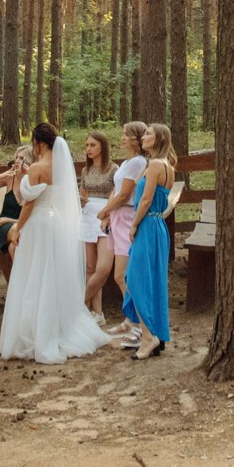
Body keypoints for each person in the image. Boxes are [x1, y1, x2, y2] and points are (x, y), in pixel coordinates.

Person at [0, 122, 114, 364]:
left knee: (34, 275)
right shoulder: (62, 168)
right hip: (56, 222)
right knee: (53, 274)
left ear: (39, 143)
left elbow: (29, 203)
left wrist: (18, 227)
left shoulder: (37, 168)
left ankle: (36, 333)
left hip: (38, 224)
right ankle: (60, 326)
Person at [121, 122, 175, 360]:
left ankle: (148, 337)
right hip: (158, 226)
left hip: (147, 225)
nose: (144, 136)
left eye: (149, 133)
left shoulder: (154, 165)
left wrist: (133, 226)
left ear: (160, 139)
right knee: (153, 281)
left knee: (135, 279)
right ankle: (155, 334)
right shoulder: (167, 166)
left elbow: (145, 200)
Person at [99, 121, 149, 341]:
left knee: (123, 275)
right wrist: (108, 214)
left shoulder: (138, 163)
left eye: (125, 135)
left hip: (127, 216)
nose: (122, 138)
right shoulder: (127, 162)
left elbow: (124, 194)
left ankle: (140, 323)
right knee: (120, 274)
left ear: (135, 139)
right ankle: (130, 319)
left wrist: (104, 210)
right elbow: (115, 190)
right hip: (117, 217)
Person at [78, 132, 117, 320]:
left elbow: (117, 194)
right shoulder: (85, 171)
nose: (89, 149)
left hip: (106, 214)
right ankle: (97, 313)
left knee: (102, 267)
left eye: (92, 145)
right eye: (87, 145)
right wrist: (80, 200)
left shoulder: (113, 169)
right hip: (87, 215)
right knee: (90, 267)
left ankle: (80, 304)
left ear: (102, 146)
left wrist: (108, 215)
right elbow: (83, 193)